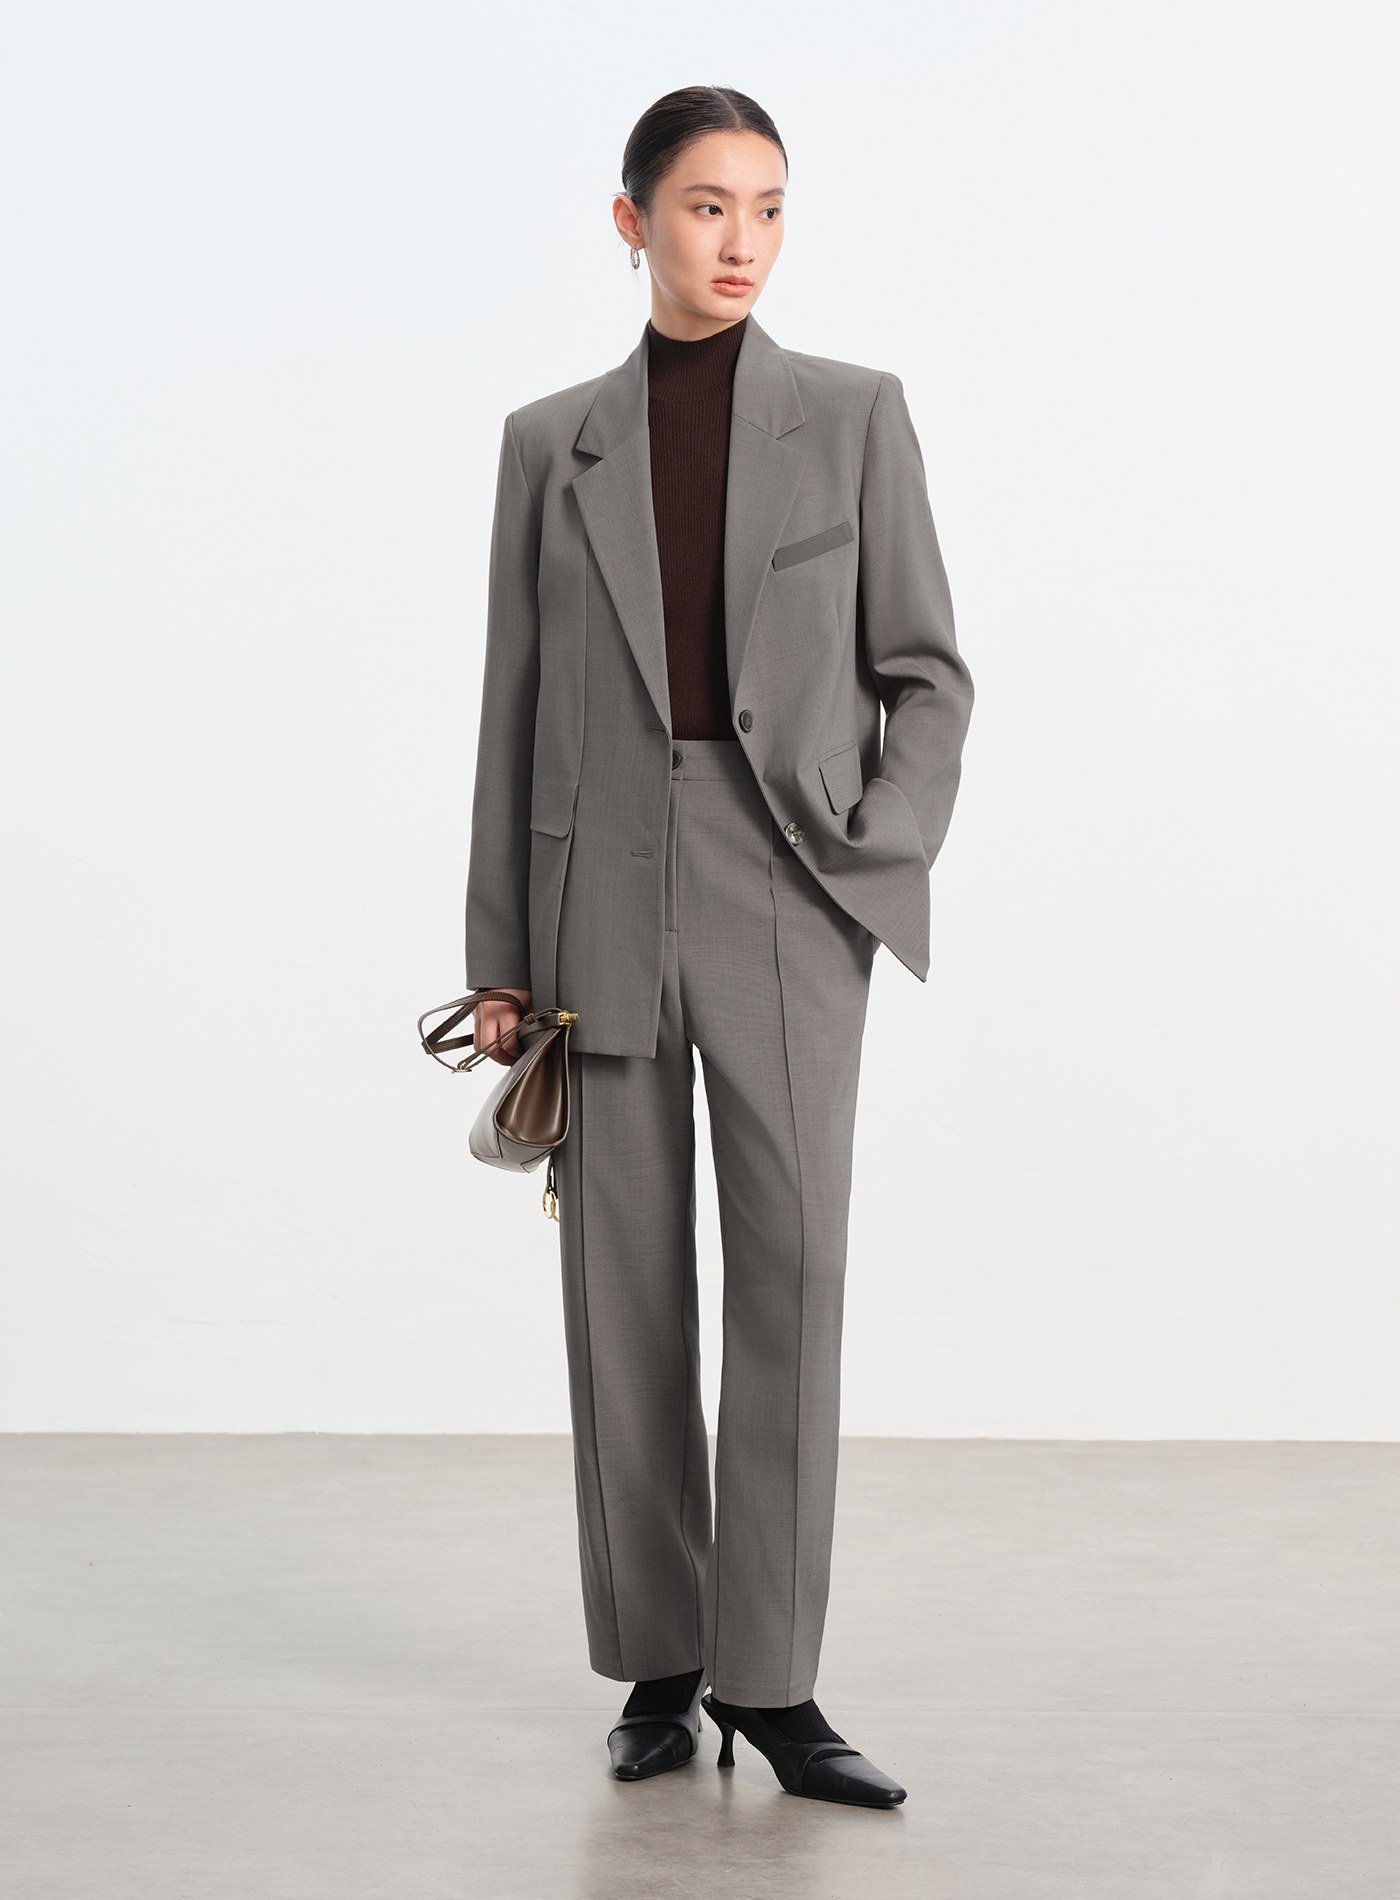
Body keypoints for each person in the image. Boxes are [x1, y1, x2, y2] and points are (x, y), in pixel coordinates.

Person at [462, 85, 974, 1809]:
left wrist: (872, 850)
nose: (740, 239)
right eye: (704, 206)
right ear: (632, 224)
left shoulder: (855, 415)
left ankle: (776, 1679)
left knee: (794, 1276)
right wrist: (500, 954)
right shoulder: (549, 444)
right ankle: (661, 1664)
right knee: (620, 1290)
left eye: (766, 206)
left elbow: (929, 674)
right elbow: (510, 708)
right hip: (594, 897)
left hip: (788, 888)